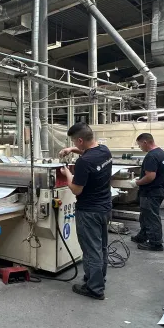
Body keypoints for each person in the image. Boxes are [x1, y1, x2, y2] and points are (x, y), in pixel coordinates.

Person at [59, 122, 112, 300]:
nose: (74, 143)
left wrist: (67, 173)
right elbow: (89, 154)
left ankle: (94, 288)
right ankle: (98, 278)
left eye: (74, 141)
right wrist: (71, 150)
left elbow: (76, 190)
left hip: (89, 211)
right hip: (105, 208)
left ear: (80, 140)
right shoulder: (104, 151)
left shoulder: (83, 162)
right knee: (101, 247)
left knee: (91, 250)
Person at [130, 133, 164, 251]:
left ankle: (156, 243)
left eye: (139, 145)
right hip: (160, 189)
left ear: (145, 142)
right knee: (145, 215)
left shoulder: (151, 156)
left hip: (151, 192)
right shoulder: (161, 153)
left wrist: (137, 182)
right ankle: (143, 235)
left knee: (151, 217)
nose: (140, 147)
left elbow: (150, 177)